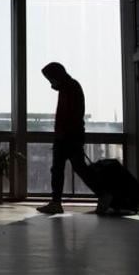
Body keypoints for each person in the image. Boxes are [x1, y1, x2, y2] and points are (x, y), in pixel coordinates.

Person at [36, 62, 86, 215]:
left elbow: (70, 115)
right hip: (69, 136)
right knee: (74, 168)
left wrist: (63, 134)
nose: (50, 82)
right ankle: (56, 201)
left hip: (67, 137)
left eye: (50, 78)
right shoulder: (69, 87)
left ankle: (56, 202)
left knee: (64, 169)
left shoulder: (68, 88)